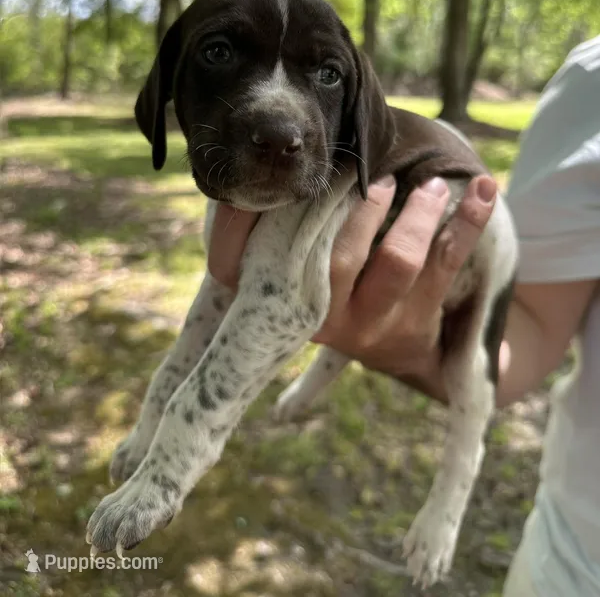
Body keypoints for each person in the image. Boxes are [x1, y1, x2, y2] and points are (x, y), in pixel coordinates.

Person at [207, 37, 600, 597]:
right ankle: (315, 382)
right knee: (363, 287)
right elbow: (532, 328)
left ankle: (450, 497)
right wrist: (400, 345)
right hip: (571, 568)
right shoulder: (595, 78)